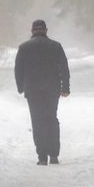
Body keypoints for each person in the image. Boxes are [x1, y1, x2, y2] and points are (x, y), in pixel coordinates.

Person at [14, 19, 70, 165]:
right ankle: (54, 155)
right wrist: (65, 88)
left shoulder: (24, 48)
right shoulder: (56, 46)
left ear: (32, 31)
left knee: (37, 121)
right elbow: (64, 68)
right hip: (52, 89)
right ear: (46, 30)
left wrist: (20, 87)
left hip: (33, 91)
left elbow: (18, 70)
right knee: (51, 119)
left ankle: (42, 156)